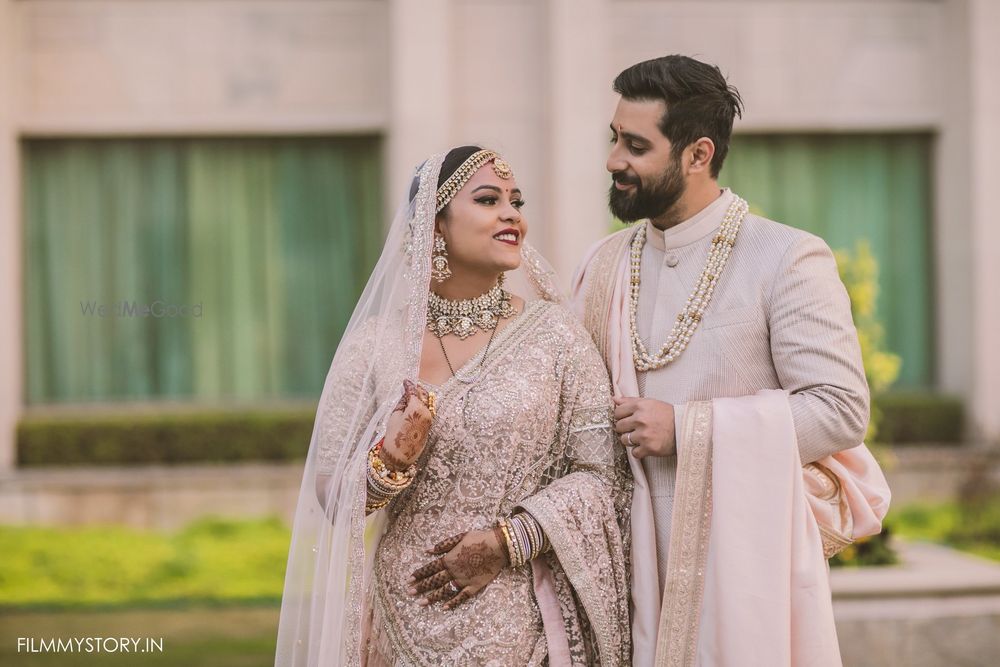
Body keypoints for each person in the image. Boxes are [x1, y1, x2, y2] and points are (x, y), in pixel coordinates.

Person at [572, 55, 891, 666]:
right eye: (614, 138)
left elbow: (840, 410)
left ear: (698, 154)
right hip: (622, 573)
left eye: (636, 145)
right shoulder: (603, 264)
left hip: (743, 573)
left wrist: (689, 429)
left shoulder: (786, 258)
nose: (614, 159)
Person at [275, 146, 632, 666]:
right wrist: (390, 460)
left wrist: (505, 540)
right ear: (434, 226)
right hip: (400, 619)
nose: (512, 214)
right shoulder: (377, 345)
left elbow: (603, 476)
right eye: (488, 200)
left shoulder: (556, 337)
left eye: (516, 201)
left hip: (521, 622)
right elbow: (331, 495)